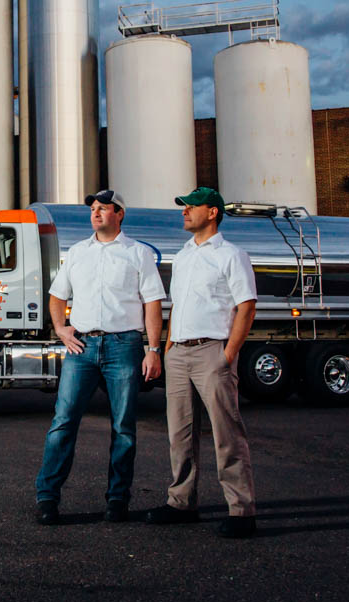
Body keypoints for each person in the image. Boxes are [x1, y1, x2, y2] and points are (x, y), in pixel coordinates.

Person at [35, 189, 165, 525]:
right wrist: (62, 329)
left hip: (124, 346)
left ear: (119, 213)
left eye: (103, 208)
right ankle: (47, 498)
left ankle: (118, 500)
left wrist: (153, 350)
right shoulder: (78, 253)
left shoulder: (138, 254)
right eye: (93, 208)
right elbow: (56, 296)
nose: (95, 213)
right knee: (63, 423)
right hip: (82, 347)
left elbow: (152, 304)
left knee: (123, 427)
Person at [145, 187, 259, 539]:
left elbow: (246, 306)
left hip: (212, 350)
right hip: (179, 351)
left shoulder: (231, 255)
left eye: (191, 207)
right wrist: (166, 348)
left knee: (226, 433)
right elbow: (176, 306)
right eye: (184, 207)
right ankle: (181, 501)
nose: (185, 211)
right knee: (179, 433)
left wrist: (228, 355)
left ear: (212, 212)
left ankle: (241, 510)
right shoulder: (183, 256)